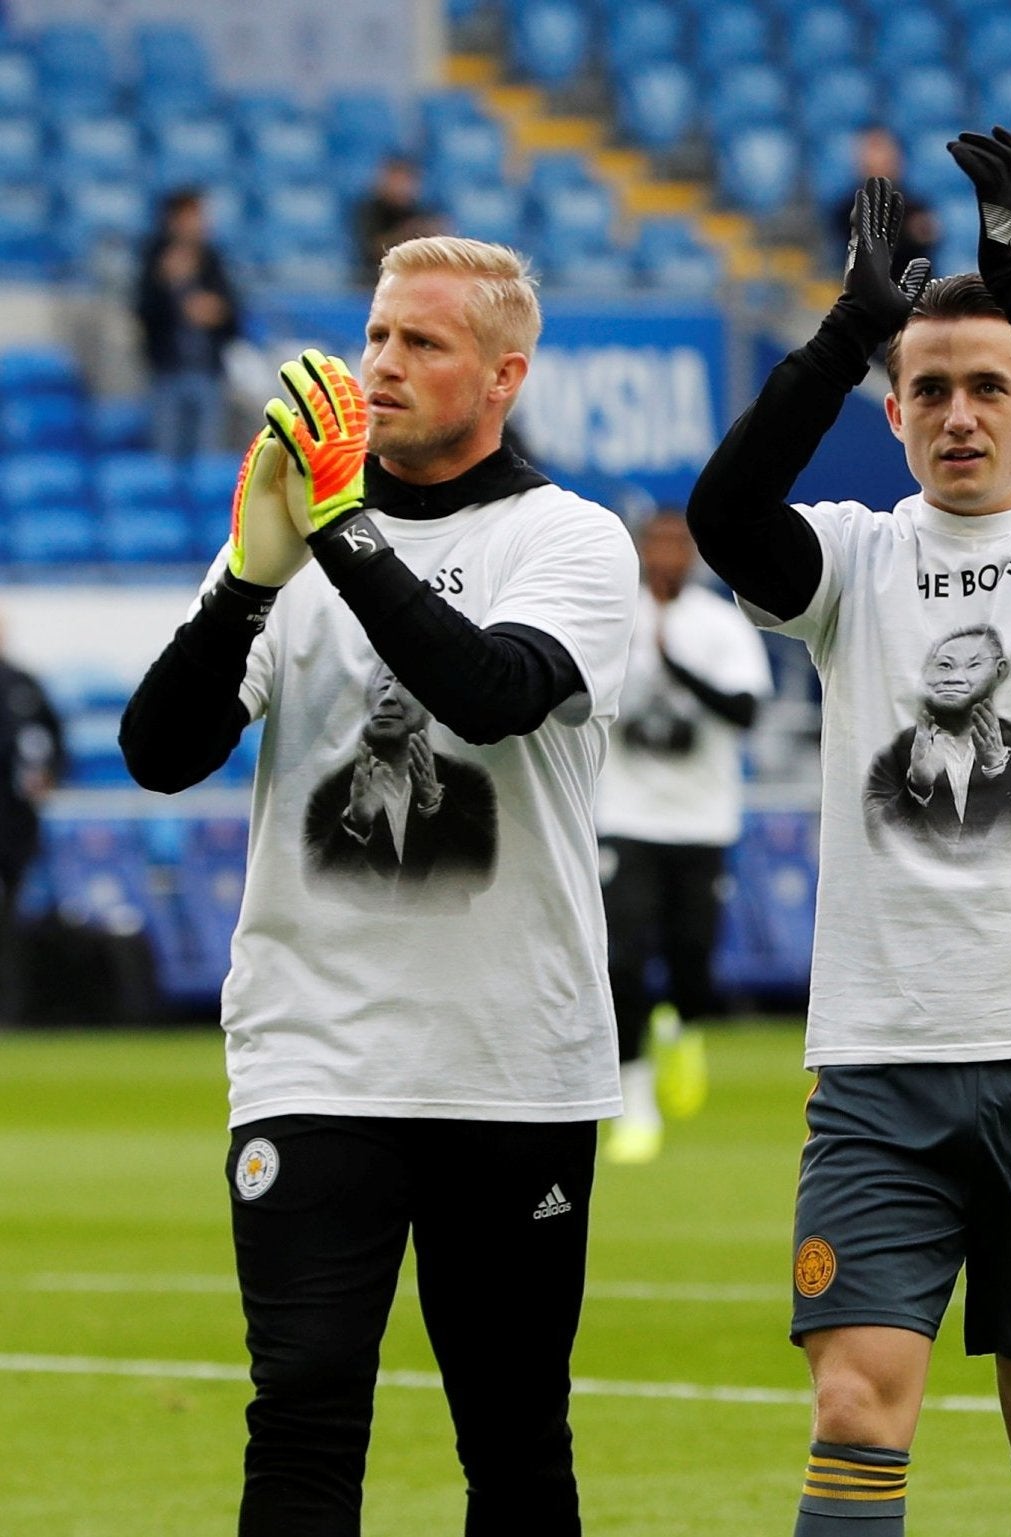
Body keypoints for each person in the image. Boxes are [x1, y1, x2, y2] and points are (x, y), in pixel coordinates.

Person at [688, 132, 1011, 1537]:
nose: (959, 414)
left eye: (988, 387)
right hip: (879, 1061)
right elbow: (724, 513)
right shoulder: (851, 559)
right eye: (929, 390)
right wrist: (849, 326)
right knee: (855, 1408)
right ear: (897, 410)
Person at [119, 234, 637, 1535]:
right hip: (314, 1052)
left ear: (505, 374)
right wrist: (246, 582)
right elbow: (159, 753)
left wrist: (338, 527)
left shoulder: (569, 538)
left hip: (514, 1059)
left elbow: (491, 692)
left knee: (515, 1430)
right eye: (377, 336)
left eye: (424, 343)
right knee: (299, 1403)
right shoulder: (291, 542)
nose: (383, 365)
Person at [596, 508, 773, 1163]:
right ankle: (634, 1103)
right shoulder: (616, 619)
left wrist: (675, 665)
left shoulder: (718, 625)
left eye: (678, 544)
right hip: (627, 816)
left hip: (701, 819)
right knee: (622, 957)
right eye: (657, 543)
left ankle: (682, 1025)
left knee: (693, 954)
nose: (667, 554)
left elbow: (745, 708)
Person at [302, 662, 499, 903]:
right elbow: (317, 887)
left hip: (448, 933)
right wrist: (355, 824)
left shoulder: (467, 780)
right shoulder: (331, 790)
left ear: (432, 703)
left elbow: (482, 874)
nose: (388, 698)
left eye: (404, 684)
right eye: (383, 686)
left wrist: (437, 807)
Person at [863, 623, 1011, 853]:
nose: (955, 677)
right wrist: (917, 787)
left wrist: (1000, 767)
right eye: (944, 665)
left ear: (1001, 670)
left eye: (973, 665)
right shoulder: (894, 753)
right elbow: (876, 839)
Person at [135, 187, 239, 459]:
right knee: (165, 455)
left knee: (207, 455)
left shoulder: (212, 259)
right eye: (195, 215)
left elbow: (231, 311)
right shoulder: (154, 257)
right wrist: (171, 287)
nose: (203, 222)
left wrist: (207, 309)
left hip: (208, 371)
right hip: (168, 372)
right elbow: (143, 311)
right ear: (176, 218)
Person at [0, 621, 63, 1022]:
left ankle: (12, 1009)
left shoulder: (23, 685)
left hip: (15, 826)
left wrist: (50, 773)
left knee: (10, 921)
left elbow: (55, 740)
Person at [822, 125, 939, 279]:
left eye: (881, 150)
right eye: (869, 150)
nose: (875, 158)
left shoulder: (916, 206)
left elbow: (926, 241)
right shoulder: (845, 207)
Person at [354, 154, 440, 285]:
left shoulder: (420, 211)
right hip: (371, 280)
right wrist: (408, 232)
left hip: (412, 280)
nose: (401, 186)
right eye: (397, 179)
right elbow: (373, 250)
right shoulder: (368, 210)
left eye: (407, 180)